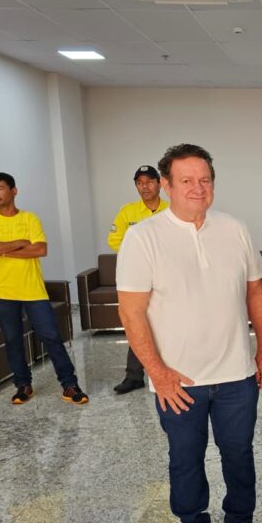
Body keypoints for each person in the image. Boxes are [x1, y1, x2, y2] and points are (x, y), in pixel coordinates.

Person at [117, 143, 262, 523]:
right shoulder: (143, 237)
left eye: (204, 179)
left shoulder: (234, 229)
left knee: (239, 453)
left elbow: (256, 290)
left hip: (236, 374)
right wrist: (158, 373)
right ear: (166, 185)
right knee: (185, 459)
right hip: (178, 381)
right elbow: (131, 312)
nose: (197, 188)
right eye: (186, 180)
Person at [0, 174, 88, 406]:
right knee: (13, 340)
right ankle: (23, 385)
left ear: (14, 191)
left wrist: (0, 248)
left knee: (52, 337)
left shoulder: (30, 218)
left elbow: (40, 250)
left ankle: (69, 385)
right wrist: (20, 243)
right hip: (0, 290)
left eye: (0, 188)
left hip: (32, 289)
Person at [108, 164, 168, 395]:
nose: (145, 186)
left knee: (170, 322)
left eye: (149, 181)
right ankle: (134, 376)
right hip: (138, 276)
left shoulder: (172, 209)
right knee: (137, 323)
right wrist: (143, 253)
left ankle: (171, 369)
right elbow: (114, 240)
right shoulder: (127, 212)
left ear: (159, 183)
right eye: (140, 183)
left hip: (167, 275)